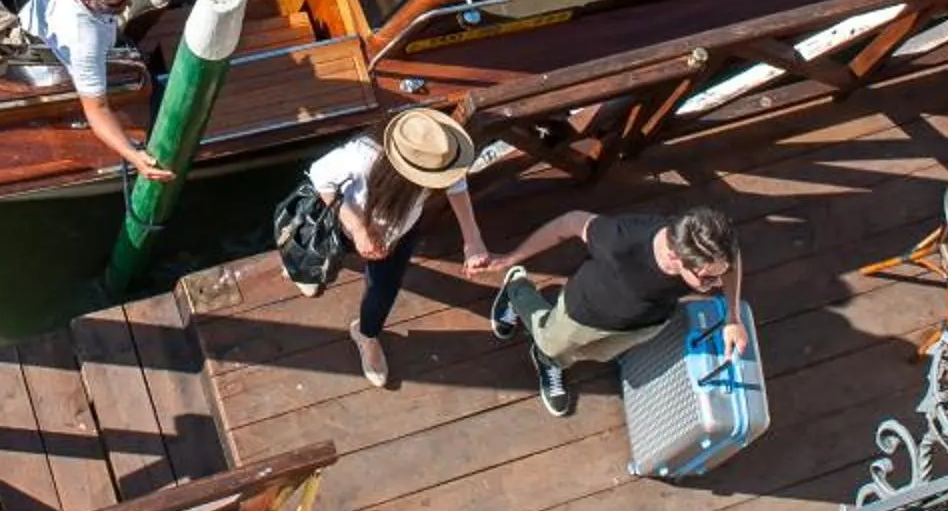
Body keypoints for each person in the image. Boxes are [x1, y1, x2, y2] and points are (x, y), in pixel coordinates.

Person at [299, 109, 499, 389]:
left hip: (398, 234)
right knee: (312, 253)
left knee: (383, 290)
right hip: (346, 222)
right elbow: (321, 175)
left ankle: (367, 334)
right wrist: (358, 230)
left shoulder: (442, 157)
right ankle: (304, 271)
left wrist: (472, 238)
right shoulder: (364, 154)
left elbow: (456, 182)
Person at [491, 202, 744, 416]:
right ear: (675, 258)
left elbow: (731, 263)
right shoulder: (622, 238)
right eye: (708, 279)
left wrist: (733, 317)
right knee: (549, 343)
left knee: (598, 354)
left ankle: (554, 360)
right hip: (584, 312)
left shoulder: (710, 252)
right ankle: (517, 290)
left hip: (645, 323)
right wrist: (512, 258)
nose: (718, 283)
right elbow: (570, 222)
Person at [18, 0, 181, 181]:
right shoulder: (84, 42)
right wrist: (133, 155)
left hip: (35, 15)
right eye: (117, 4)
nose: (128, 3)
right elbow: (97, 109)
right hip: (50, 61)